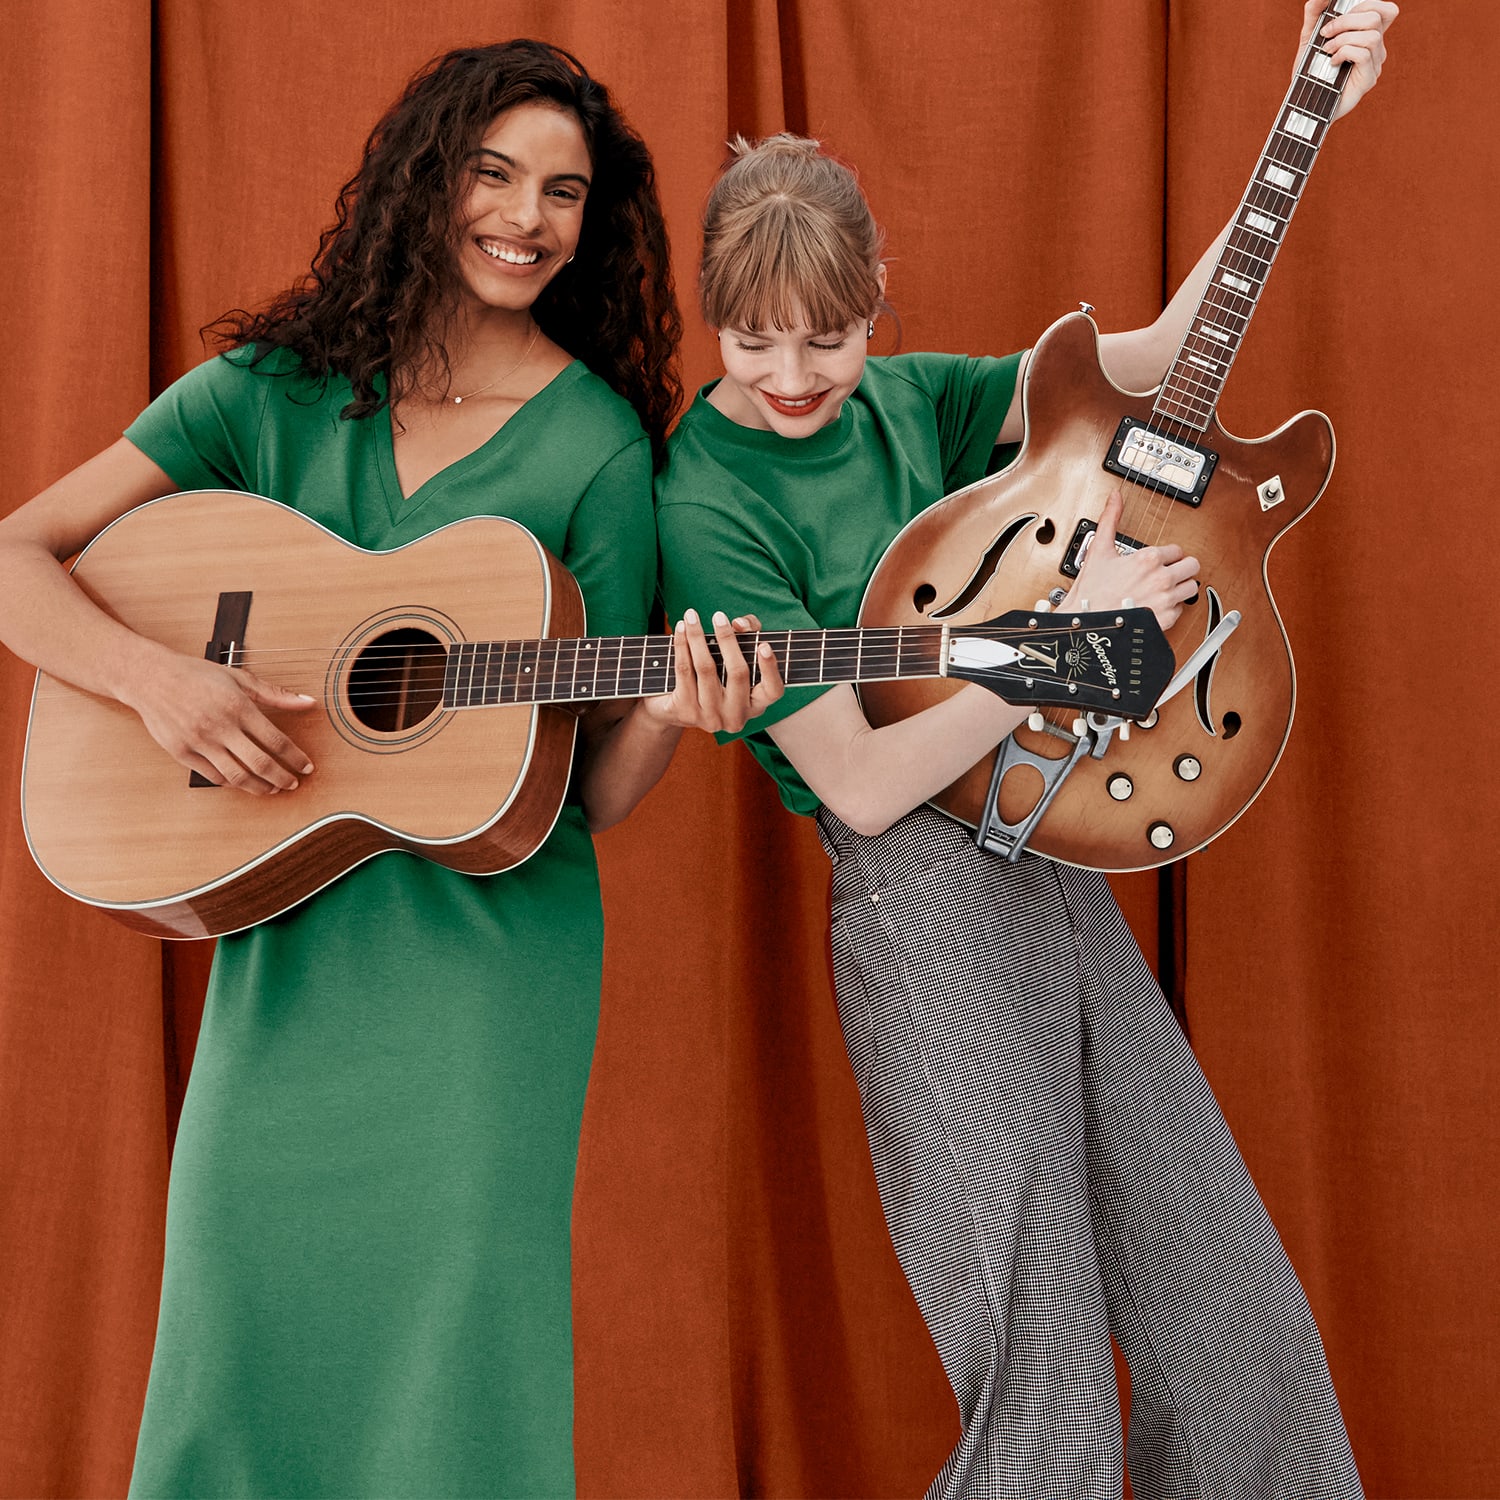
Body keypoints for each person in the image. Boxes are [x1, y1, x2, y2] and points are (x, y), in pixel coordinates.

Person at [0, 39, 778, 1499]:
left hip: (491, 978)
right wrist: (156, 679)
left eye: (564, 190)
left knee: (457, 1338)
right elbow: (13, 558)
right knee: (244, 1319)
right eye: (494, 173)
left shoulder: (600, 446)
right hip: (289, 952)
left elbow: (591, 789)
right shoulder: (268, 392)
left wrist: (676, 708)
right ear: (426, 179)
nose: (527, 215)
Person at [655, 4, 1397, 1494]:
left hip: (1051, 855)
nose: (794, 377)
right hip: (917, 892)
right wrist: (1081, 639)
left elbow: (1168, 348)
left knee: (1239, 1330)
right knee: (1045, 1391)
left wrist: (1309, 111)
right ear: (708, 316)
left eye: (832, 338)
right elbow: (863, 779)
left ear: (882, 303)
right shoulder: (701, 496)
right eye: (753, 343)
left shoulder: (914, 400)